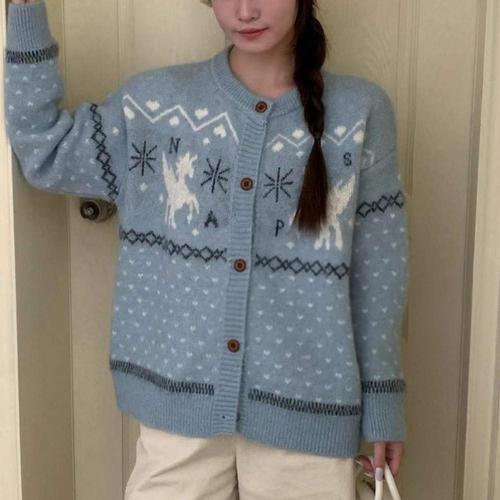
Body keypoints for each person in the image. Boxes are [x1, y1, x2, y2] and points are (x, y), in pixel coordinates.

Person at [5, 0, 410, 498]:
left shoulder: (360, 112)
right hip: (177, 414)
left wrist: (384, 404)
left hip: (309, 413)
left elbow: (378, 274)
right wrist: (26, 9)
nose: (245, 10)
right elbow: (43, 148)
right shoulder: (153, 105)